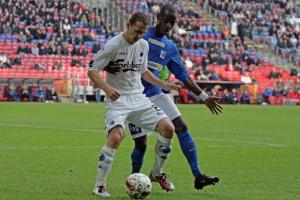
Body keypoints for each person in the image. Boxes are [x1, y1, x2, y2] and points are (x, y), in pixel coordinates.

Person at [106, 5, 222, 191]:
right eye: (166, 21)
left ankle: (196, 175)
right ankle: (134, 179)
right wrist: (108, 66)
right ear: (158, 17)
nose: (169, 25)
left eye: (172, 23)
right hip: (133, 95)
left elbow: (183, 76)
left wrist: (204, 96)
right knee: (141, 144)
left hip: (155, 92)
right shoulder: (141, 34)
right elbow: (115, 50)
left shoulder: (170, 47)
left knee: (181, 126)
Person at [87, 12, 182, 198]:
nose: (138, 36)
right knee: (116, 137)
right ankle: (99, 186)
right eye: (136, 31)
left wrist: (165, 85)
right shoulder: (113, 45)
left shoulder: (143, 45)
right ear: (128, 24)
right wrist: (107, 88)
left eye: (142, 32)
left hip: (139, 98)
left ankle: (156, 172)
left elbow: (143, 71)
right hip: (118, 100)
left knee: (168, 128)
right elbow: (92, 71)